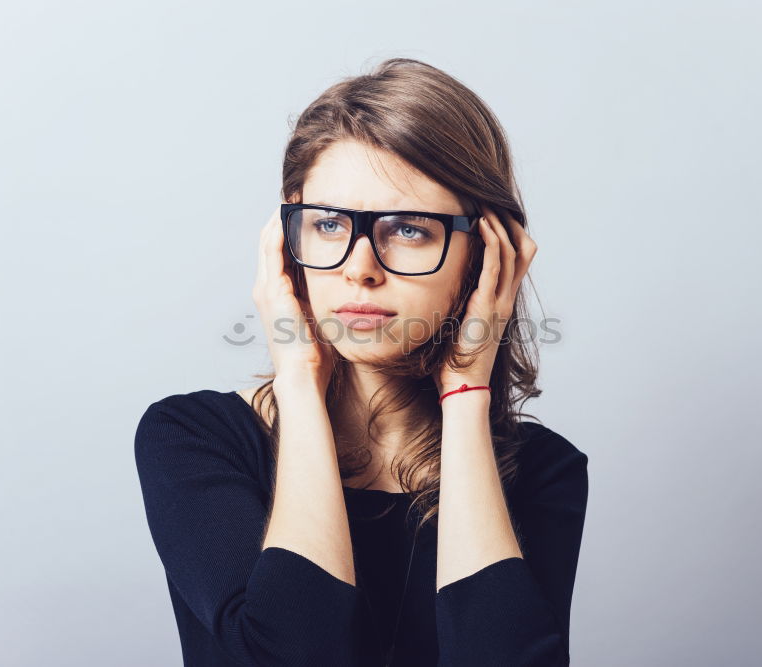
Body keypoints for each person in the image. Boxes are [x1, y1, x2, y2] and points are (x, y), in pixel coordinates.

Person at [134, 57, 589, 666]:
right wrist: (298, 381)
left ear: (482, 258)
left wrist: (465, 395)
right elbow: (293, 653)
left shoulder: (544, 472)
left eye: (408, 230)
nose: (359, 267)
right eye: (328, 224)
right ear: (288, 244)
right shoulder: (192, 439)